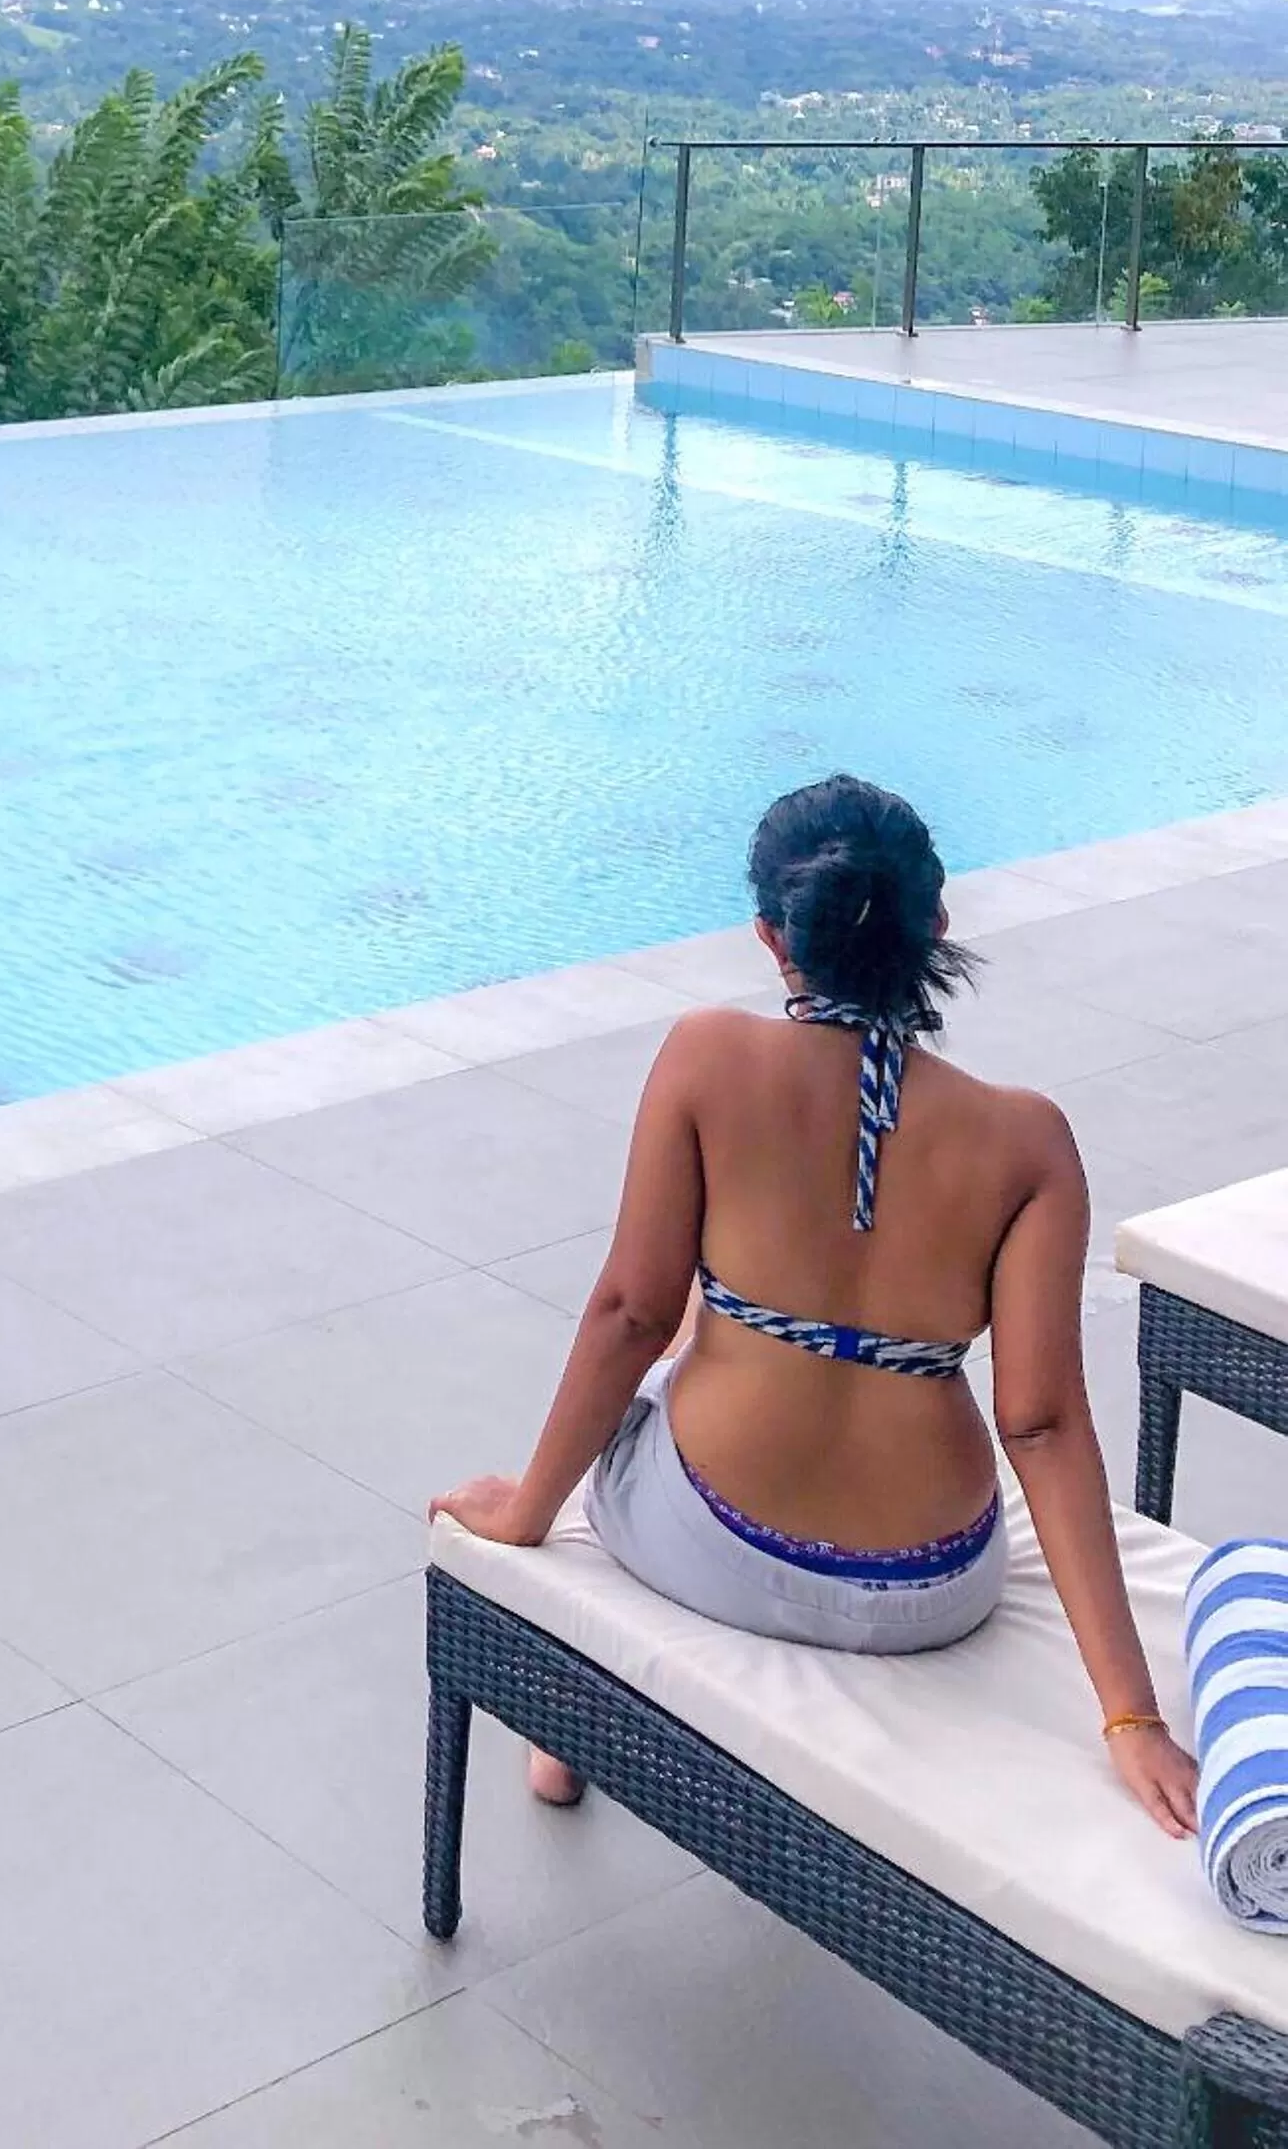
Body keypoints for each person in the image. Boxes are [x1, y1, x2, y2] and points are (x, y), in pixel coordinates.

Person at [430, 774, 1199, 1839]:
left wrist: (526, 1512)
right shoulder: (1026, 1143)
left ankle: (567, 1729)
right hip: (932, 1589)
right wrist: (1129, 1717)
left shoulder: (708, 1056)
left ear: (766, 934)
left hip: (714, 1546)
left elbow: (626, 1313)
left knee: (660, 1379)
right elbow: (1040, 1422)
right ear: (935, 923)